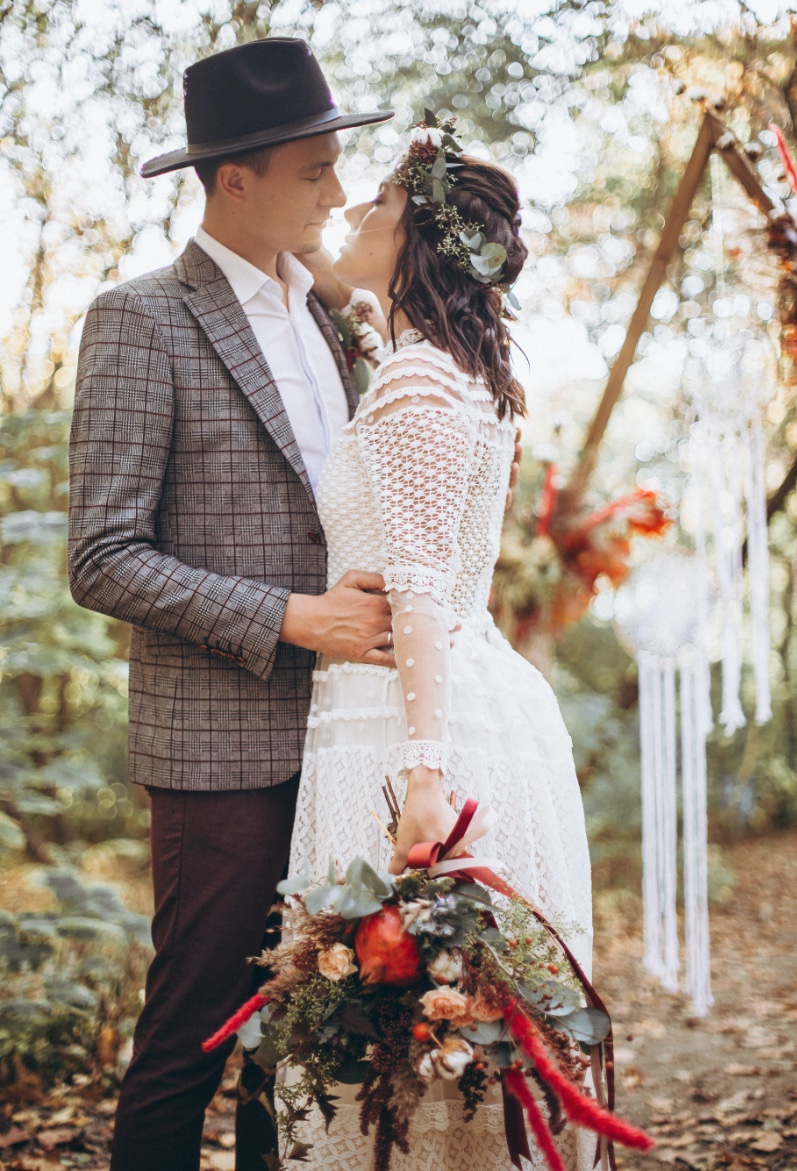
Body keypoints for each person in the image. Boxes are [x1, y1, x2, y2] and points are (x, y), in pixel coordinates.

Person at [68, 38, 398, 1171]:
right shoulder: (138, 318)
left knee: (302, 1042)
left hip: (346, 740)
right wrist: (288, 617)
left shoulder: (332, 321)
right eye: (315, 169)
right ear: (234, 178)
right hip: (215, 752)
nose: (338, 192)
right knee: (190, 1039)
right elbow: (103, 556)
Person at [286, 121, 595, 1170]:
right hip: (450, 698)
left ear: (414, 238)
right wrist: (369, 327)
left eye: (376, 202)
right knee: (437, 1050)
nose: (357, 213)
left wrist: (423, 777)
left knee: (421, 1051)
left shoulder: (419, 383)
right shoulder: (446, 369)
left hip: (407, 724)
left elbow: (417, 582)